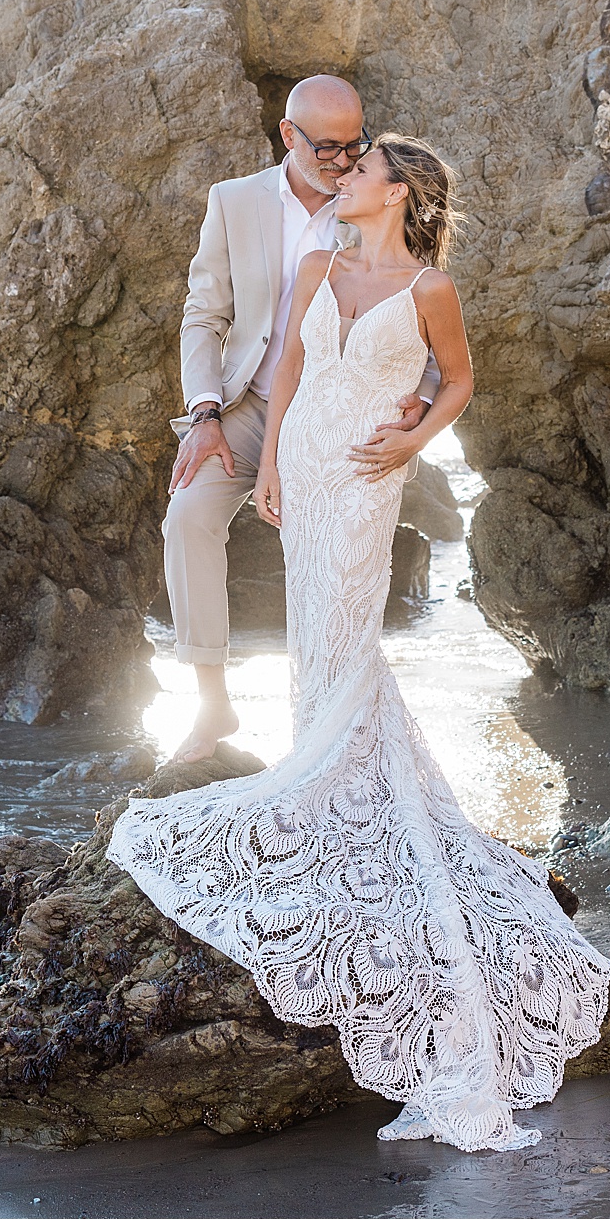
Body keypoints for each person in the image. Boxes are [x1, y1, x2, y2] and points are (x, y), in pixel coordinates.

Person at [110, 135, 610, 1152]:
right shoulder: (315, 266)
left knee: (347, 615)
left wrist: (413, 437)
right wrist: (270, 469)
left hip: (369, 465)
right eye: (341, 168)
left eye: (359, 170)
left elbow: (460, 380)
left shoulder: (430, 286)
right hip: (304, 454)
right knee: (313, 629)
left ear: (399, 191)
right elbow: (290, 362)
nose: (342, 181)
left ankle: (335, 785)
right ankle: (321, 770)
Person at [163, 75, 433, 764]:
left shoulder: (372, 198)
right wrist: (205, 413)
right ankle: (210, 704)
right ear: (289, 135)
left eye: (356, 147)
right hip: (250, 406)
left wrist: (421, 401)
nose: (343, 162)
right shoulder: (232, 203)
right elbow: (204, 315)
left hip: (342, 416)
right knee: (188, 514)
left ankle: (332, 738)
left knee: (332, 574)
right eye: (328, 148)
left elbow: (421, 307)